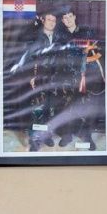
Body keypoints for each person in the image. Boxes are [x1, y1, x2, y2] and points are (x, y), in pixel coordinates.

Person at [55, 6, 103, 147]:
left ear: (75, 17)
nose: (68, 20)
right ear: (62, 20)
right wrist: (81, 55)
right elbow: (61, 57)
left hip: (87, 75)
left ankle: (87, 136)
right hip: (68, 75)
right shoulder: (60, 36)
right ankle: (67, 135)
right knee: (67, 106)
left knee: (88, 106)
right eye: (65, 18)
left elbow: (100, 50)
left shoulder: (87, 32)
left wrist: (87, 59)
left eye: (70, 16)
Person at [19, 12, 64, 150]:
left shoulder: (57, 38)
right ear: (43, 21)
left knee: (48, 108)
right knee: (36, 108)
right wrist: (31, 76)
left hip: (53, 78)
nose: (51, 22)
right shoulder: (35, 37)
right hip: (38, 76)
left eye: (54, 20)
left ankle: (46, 135)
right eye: (49, 19)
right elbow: (27, 58)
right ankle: (35, 139)